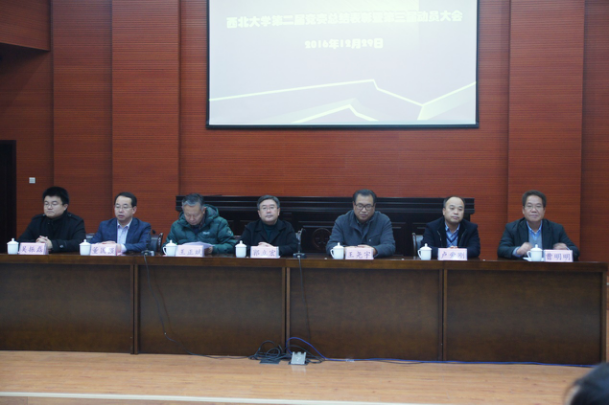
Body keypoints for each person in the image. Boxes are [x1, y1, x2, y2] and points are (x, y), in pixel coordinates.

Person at [497, 190, 579, 260]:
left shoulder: (556, 229)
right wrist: (518, 251)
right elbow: (501, 250)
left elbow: (575, 251)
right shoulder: (512, 228)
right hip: (522, 271)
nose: (534, 210)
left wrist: (566, 250)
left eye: (538, 206)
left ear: (544, 210)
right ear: (523, 210)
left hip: (549, 271)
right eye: (529, 206)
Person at [326, 189, 395, 258]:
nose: (364, 210)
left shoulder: (383, 220)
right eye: (360, 206)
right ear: (354, 205)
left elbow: (389, 246)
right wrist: (346, 250)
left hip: (374, 263)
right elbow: (331, 246)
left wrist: (373, 250)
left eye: (368, 206)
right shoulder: (342, 220)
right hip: (348, 263)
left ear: (374, 206)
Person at [18, 186, 85, 253]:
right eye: (46, 204)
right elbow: (20, 242)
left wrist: (53, 244)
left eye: (54, 204)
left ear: (65, 206)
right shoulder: (37, 221)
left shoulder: (75, 222)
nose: (49, 207)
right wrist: (37, 243)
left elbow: (80, 244)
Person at [165, 193, 236, 255]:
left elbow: (232, 245)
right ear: (183, 210)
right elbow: (165, 247)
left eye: (196, 215)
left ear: (203, 210)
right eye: (188, 215)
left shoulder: (219, 223)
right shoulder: (176, 226)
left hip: (211, 263)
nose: (192, 219)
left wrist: (212, 249)